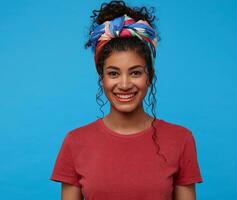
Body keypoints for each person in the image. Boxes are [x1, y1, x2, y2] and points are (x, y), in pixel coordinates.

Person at [50, 1, 203, 199]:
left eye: (135, 72)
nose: (124, 84)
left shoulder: (181, 139)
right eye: (113, 73)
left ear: (150, 75)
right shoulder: (75, 142)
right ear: (101, 78)